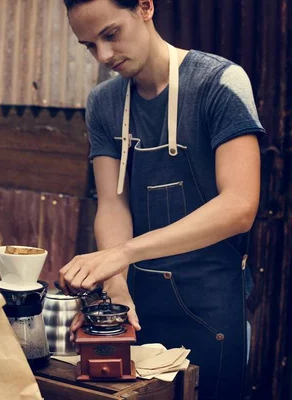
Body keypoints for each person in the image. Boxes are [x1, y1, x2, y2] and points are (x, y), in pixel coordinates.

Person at [58, 1, 263, 399]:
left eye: (111, 34)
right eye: (89, 45)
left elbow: (239, 207)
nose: (103, 56)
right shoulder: (103, 103)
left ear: (145, 7)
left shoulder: (220, 82)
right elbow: (113, 205)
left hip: (212, 307)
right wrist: (116, 285)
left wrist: (122, 254)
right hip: (140, 304)